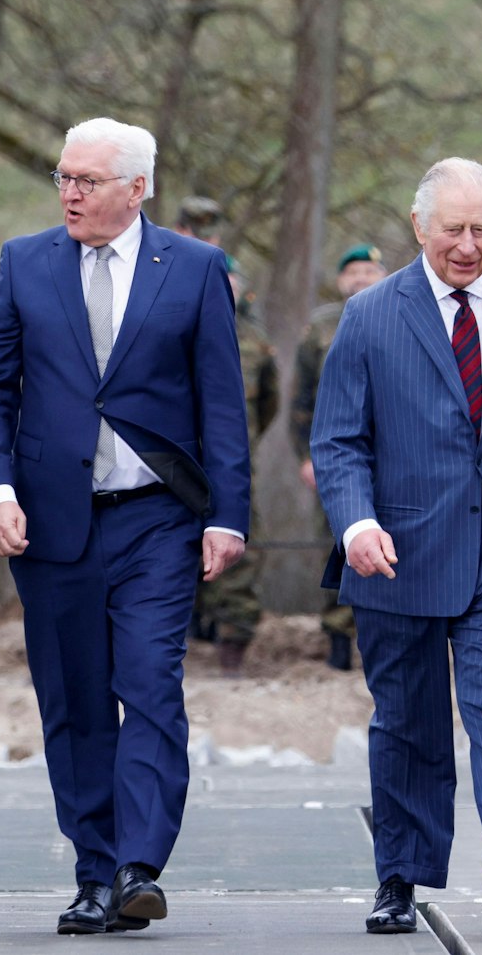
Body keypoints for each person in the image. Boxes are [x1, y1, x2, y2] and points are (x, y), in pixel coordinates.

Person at [0, 118, 251, 935]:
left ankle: (139, 866)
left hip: (158, 518)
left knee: (151, 686)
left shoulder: (194, 270)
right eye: (63, 177)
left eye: (87, 180)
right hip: (52, 522)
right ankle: (94, 870)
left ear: (138, 188)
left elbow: (221, 402)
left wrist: (227, 515)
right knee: (76, 700)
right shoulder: (25, 263)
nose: (70, 193)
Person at [311, 157, 482, 940]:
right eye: (451, 229)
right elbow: (338, 440)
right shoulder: (369, 316)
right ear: (418, 227)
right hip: (398, 547)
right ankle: (400, 875)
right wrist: (355, 524)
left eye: (480, 229)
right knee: (408, 719)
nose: (466, 245)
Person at [176, 197, 278, 676]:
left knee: (236, 543)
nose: (204, 237)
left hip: (233, 456)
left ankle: (233, 644)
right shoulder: (162, 296)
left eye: (211, 230)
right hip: (172, 450)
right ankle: (189, 634)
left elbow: (270, 401)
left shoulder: (250, 336)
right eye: (195, 229)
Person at [290, 244, 387, 670]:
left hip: (392, 456)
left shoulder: (400, 315)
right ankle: (337, 639)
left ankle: (379, 638)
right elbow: (300, 399)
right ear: (342, 279)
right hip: (338, 455)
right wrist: (307, 455)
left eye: (371, 269)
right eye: (354, 271)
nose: (362, 277)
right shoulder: (321, 327)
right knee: (339, 539)